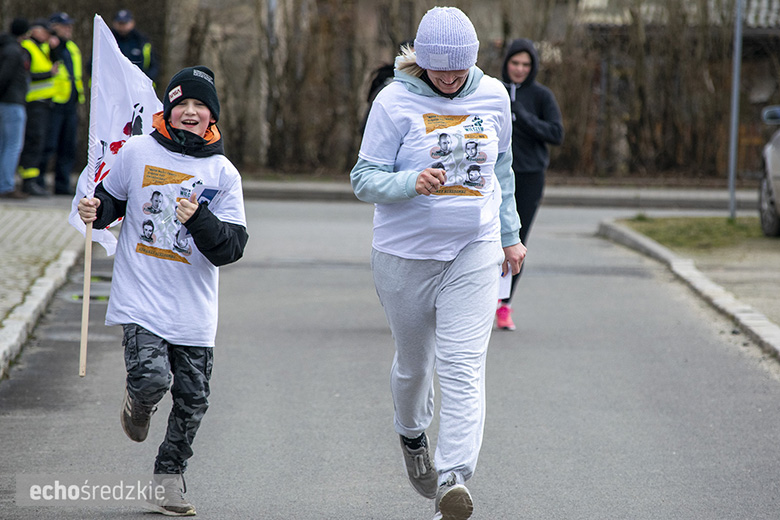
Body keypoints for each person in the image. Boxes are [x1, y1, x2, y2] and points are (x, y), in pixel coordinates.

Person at [350, 7, 526, 520]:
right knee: (414, 367)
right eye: (437, 68)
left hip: (475, 248)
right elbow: (364, 179)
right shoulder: (393, 100)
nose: (448, 78)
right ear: (421, 61)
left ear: (473, 60)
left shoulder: (493, 96)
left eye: (458, 68)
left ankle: (453, 478)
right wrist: (409, 182)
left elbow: (503, 169)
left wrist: (510, 236)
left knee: (463, 366)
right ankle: (412, 436)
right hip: (405, 255)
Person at [77, 65, 248, 516]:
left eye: (199, 105)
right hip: (142, 299)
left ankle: (167, 483)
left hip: (193, 309)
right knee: (153, 378)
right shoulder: (136, 152)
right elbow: (113, 199)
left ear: (211, 114)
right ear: (169, 111)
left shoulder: (223, 172)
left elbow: (231, 249)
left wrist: (200, 219)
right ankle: (139, 400)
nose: (190, 112)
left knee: (193, 401)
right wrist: (96, 206)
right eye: (181, 104)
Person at [496, 38, 563, 331]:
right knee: (486, 239)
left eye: (526, 64)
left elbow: (556, 133)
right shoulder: (492, 91)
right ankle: (482, 298)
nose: (520, 69)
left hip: (529, 176)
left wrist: (522, 116)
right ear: (506, 63)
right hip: (494, 175)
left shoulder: (541, 96)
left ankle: (504, 304)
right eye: (515, 63)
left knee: (515, 240)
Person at [37, 12, 85, 195]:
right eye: (64, 26)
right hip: (54, 102)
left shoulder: (72, 47)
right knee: (49, 144)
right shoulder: (47, 46)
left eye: (69, 26)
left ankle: (62, 184)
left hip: (70, 103)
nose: (68, 30)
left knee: (68, 146)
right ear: (53, 27)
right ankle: (39, 180)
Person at [17, 18, 58, 196]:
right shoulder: (27, 47)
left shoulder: (43, 48)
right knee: (33, 141)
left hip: (44, 104)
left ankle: (32, 179)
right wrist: (49, 74)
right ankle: (27, 181)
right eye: (46, 32)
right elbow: (25, 75)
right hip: (33, 103)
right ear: (35, 30)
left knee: (39, 142)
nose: (48, 36)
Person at [0, 18, 31, 199]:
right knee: (13, 145)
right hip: (12, 102)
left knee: (5, 144)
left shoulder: (5, 47)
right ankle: (6, 185)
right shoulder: (14, 51)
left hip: (7, 102)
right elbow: (5, 77)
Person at [111, 9, 159, 82]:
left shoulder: (142, 41)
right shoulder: (109, 40)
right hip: (114, 84)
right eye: (120, 23)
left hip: (137, 84)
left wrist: (145, 80)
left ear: (132, 23)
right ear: (114, 23)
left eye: (125, 23)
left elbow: (153, 66)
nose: (123, 26)